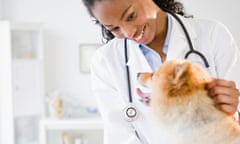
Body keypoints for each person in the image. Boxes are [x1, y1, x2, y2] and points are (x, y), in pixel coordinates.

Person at [82, 0, 240, 143]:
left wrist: (233, 108)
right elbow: (120, 137)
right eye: (114, 28)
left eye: (131, 16)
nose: (129, 33)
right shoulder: (106, 61)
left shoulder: (212, 35)